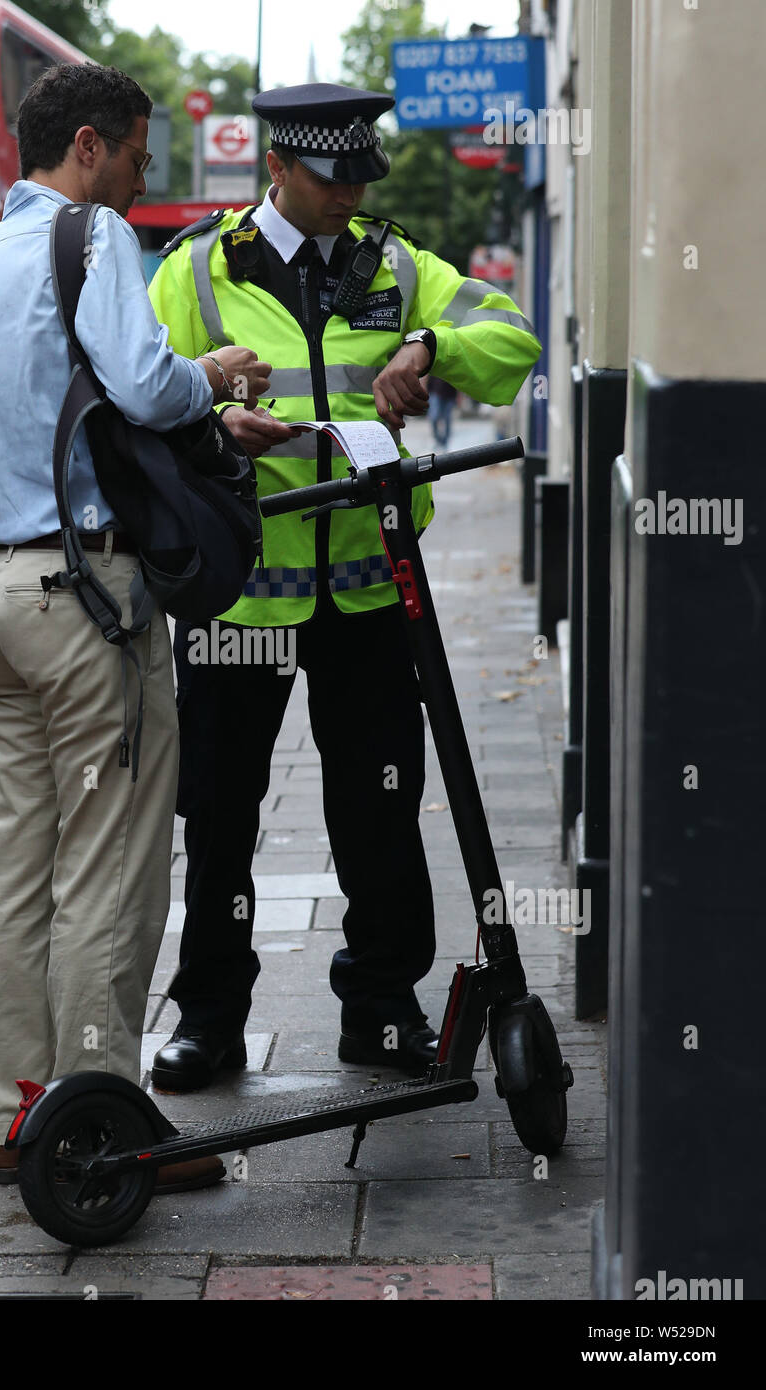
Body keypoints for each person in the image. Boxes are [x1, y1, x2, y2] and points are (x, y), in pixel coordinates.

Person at [148, 82, 541, 1091]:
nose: (348, 197)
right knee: (221, 811)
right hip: (244, 594)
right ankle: (209, 1020)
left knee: (380, 803)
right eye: (331, 178)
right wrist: (210, 410)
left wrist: (431, 346)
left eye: (361, 177)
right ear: (277, 169)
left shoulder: (399, 265)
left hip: (370, 595)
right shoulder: (197, 267)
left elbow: (514, 342)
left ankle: (380, 1005)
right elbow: (133, 393)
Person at [0, 62, 269, 1185]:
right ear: (86, 145)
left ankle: (12, 1123)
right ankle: (103, 1122)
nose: (143, 171)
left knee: (15, 869)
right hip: (84, 599)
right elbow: (145, 385)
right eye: (135, 151)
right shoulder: (92, 239)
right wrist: (207, 377)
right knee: (111, 870)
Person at [428, 374, 458, 449]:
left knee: (447, 418)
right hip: (435, 392)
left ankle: (445, 441)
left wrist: (458, 396)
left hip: (450, 395)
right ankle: (437, 439)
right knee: (434, 416)